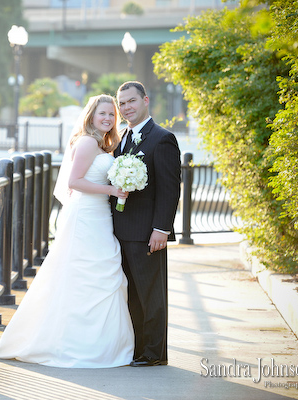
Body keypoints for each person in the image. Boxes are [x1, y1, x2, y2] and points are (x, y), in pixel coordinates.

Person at [0, 94, 135, 368]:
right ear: (91, 115)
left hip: (99, 216)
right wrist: (111, 189)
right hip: (85, 217)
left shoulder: (102, 145)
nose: (108, 118)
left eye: (112, 114)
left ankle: (97, 344)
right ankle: (68, 342)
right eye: (103, 113)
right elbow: (74, 182)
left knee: (100, 275)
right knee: (80, 276)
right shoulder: (88, 142)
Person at [112, 81, 181, 367]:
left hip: (146, 233)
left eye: (131, 101)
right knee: (131, 297)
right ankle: (137, 349)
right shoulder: (122, 139)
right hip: (120, 232)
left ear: (145, 101)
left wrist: (161, 229)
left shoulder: (162, 138)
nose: (127, 107)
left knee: (150, 295)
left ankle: (153, 353)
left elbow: (169, 188)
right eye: (122, 103)